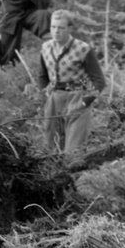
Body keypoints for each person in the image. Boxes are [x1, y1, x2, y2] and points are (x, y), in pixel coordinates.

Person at [35, 9, 106, 155]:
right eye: (53, 27)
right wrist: (45, 96)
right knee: (50, 149)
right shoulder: (46, 48)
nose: (56, 31)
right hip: (54, 100)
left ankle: (74, 175)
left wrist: (87, 100)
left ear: (70, 28)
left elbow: (99, 80)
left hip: (77, 99)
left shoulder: (83, 49)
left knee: (73, 151)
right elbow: (42, 76)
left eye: (61, 28)